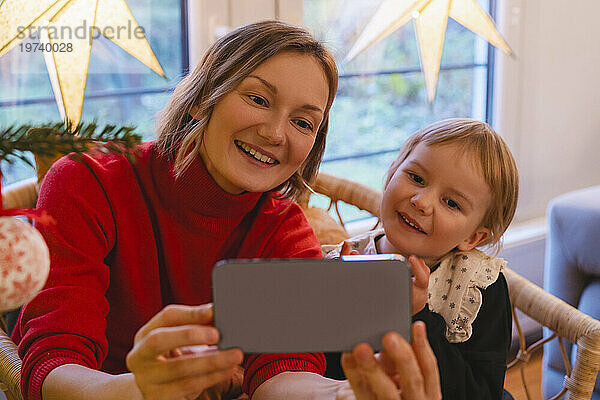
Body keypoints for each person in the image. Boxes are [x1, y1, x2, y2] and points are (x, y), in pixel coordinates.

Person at [11, 20, 442, 400]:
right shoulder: (89, 184)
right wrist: (136, 391)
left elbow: (282, 371)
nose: (275, 133)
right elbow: (52, 364)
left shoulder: (284, 230)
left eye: (303, 122)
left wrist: (341, 394)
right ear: (203, 97)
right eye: (257, 98)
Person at [322, 118, 519, 399]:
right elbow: (322, 374)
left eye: (451, 203)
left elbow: (481, 391)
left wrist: (416, 316)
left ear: (473, 238)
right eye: (416, 178)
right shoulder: (341, 261)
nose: (421, 202)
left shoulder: (478, 288)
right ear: (391, 175)